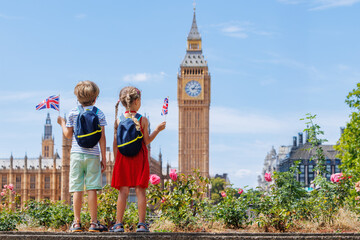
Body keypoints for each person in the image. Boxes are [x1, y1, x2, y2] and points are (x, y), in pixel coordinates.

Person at [111, 86, 166, 232]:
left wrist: (117, 161)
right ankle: (142, 224)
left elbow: (115, 144)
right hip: (139, 159)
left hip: (123, 160)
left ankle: (118, 224)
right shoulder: (143, 120)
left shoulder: (118, 120)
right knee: (140, 191)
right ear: (136, 101)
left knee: (123, 192)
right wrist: (157, 130)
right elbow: (146, 141)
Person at [57, 80, 108, 232]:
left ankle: (77, 223)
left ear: (77, 98)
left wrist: (61, 123)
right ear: (95, 98)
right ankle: (93, 223)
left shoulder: (73, 112)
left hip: (76, 156)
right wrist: (104, 158)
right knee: (92, 189)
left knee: (77, 189)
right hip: (93, 156)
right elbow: (102, 137)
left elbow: (67, 135)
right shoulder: (99, 113)